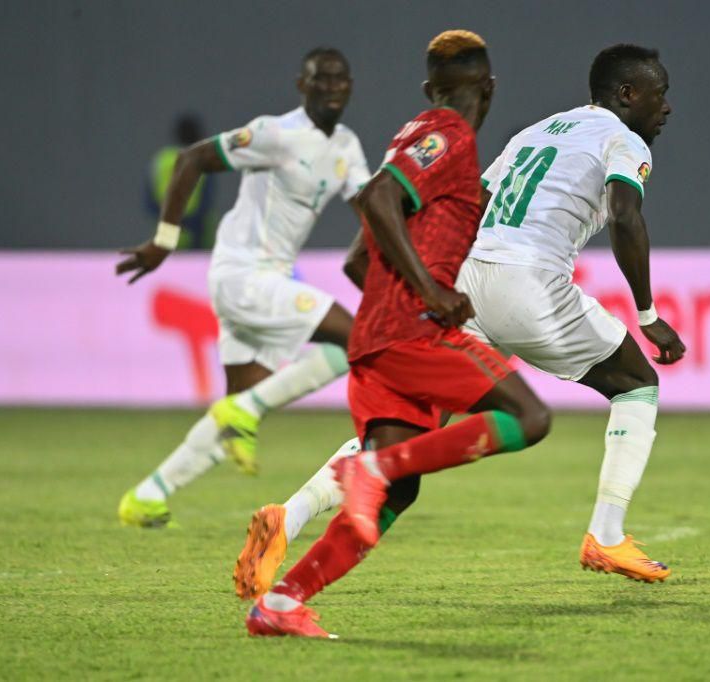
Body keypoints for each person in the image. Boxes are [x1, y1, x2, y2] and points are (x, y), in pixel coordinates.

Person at [231, 44, 687, 612]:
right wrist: (648, 316)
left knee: (413, 430)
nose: (667, 107)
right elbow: (625, 214)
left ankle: (289, 513)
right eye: (660, 93)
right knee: (636, 384)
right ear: (626, 94)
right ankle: (608, 533)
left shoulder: (535, 132)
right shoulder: (626, 140)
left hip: (470, 278)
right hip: (531, 283)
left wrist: (437, 284)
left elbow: (480, 199)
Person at [233, 29, 552, 639]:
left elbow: (360, 257)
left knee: (396, 497)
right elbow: (376, 198)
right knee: (530, 418)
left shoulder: (415, 142)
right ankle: (371, 470)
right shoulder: (450, 136)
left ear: (432, 87)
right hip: (413, 332)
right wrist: (428, 294)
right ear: (489, 87)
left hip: (378, 340)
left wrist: (390, 300)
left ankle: (280, 604)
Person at [115, 47, 371, 528]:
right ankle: (247, 408)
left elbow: (370, 207)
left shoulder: (346, 147)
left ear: (350, 86)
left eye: (341, 79)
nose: (332, 86)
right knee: (357, 339)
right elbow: (192, 159)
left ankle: (148, 495)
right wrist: (164, 241)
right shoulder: (276, 133)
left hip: (268, 282)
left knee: (232, 412)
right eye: (321, 79)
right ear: (302, 84)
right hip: (243, 275)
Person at [145, 114, 217, 249]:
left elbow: (149, 201)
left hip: (165, 232)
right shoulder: (202, 159)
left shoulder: (161, 160)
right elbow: (207, 200)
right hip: (197, 232)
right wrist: (189, 223)